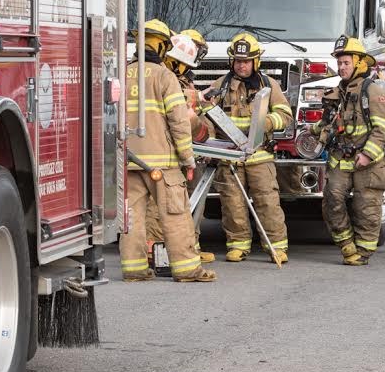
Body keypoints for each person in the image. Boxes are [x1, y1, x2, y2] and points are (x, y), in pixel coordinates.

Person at [121, 19, 215, 282]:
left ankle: (134, 269)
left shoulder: (120, 74)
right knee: (176, 214)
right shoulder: (165, 76)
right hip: (162, 162)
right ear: (162, 46)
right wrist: (188, 159)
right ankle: (187, 269)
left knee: (132, 218)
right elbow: (179, 121)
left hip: (128, 160)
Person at [206, 33, 292, 263]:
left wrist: (268, 122)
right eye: (238, 61)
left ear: (256, 62)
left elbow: (286, 115)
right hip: (229, 157)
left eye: (246, 61)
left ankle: (276, 246)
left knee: (267, 202)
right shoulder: (221, 86)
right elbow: (205, 115)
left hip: (260, 156)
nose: (242, 65)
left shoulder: (268, 85)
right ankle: (238, 245)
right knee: (232, 203)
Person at [311, 36, 385, 266]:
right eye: (339, 63)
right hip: (340, 159)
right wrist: (313, 132)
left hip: (368, 161)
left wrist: (367, 154)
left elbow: (384, 128)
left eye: (346, 62)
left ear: (359, 63)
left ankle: (364, 251)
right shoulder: (337, 92)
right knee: (331, 199)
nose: (341, 67)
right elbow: (328, 124)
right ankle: (347, 245)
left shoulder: (373, 91)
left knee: (366, 206)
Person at [146, 32, 216, 264]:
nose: (187, 70)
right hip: (165, 153)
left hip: (175, 152)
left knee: (182, 204)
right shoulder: (164, 79)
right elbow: (181, 117)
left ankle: (189, 248)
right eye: (185, 65)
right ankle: (154, 252)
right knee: (160, 207)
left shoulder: (179, 79)